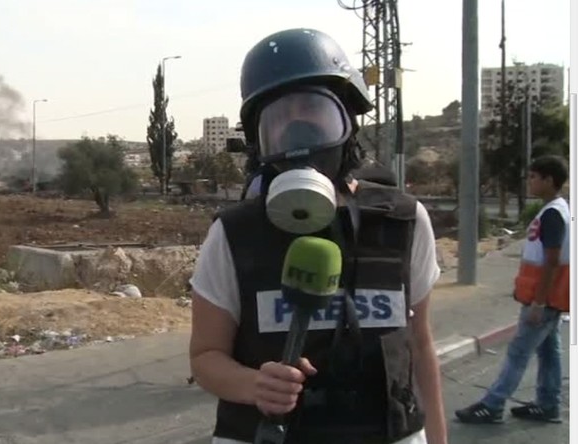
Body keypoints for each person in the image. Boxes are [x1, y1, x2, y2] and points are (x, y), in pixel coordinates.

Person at [188, 28, 447, 444]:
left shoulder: (403, 221)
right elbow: (204, 357)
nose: (297, 127)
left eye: (313, 108)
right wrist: (253, 385)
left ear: (347, 122)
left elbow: (420, 346)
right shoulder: (233, 235)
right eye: (278, 118)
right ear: (258, 142)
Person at [455, 154, 570, 424]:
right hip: (549, 297)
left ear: (548, 180)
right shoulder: (557, 209)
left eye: (533, 177)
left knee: (518, 352)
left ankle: (492, 405)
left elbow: (551, 260)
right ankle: (547, 404)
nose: (529, 181)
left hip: (543, 299)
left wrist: (539, 303)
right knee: (549, 352)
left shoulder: (553, 213)